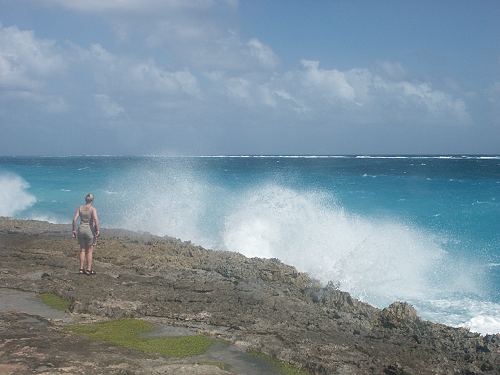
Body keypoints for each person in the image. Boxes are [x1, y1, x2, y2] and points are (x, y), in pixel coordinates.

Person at [72, 193, 100, 275]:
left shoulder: (80, 208)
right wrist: (97, 230)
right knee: (90, 250)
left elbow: (74, 220)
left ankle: (81, 269)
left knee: (82, 249)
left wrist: (74, 230)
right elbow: (95, 219)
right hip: (89, 230)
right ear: (92, 200)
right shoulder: (92, 209)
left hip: (81, 229)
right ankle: (88, 269)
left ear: (85, 199)